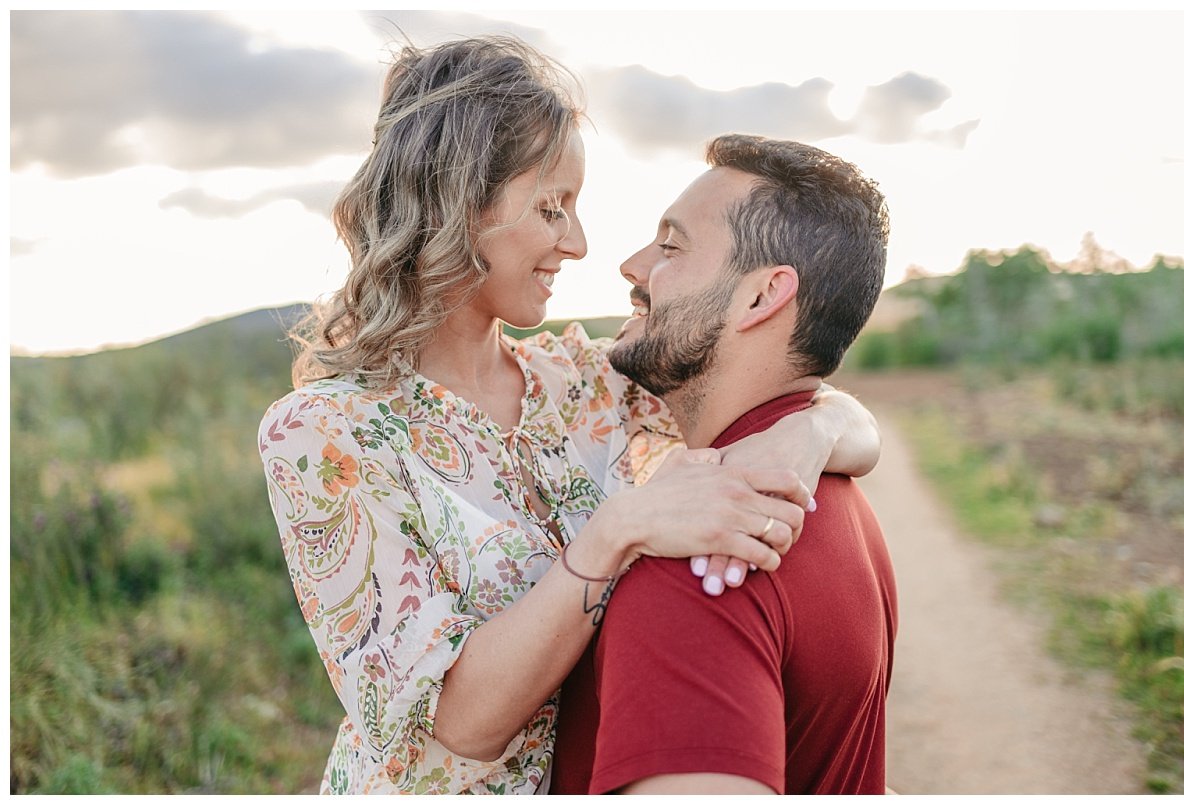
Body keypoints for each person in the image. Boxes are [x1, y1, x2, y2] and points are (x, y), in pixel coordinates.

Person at [258, 37, 881, 795]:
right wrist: (617, 530)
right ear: (456, 203)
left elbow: (783, 384)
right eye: (552, 208)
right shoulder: (320, 435)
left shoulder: (585, 380)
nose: (579, 244)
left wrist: (808, 432)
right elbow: (462, 722)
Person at [551, 134, 897, 795]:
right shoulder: (837, 494)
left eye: (671, 247)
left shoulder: (704, 564)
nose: (631, 265)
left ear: (762, 297)